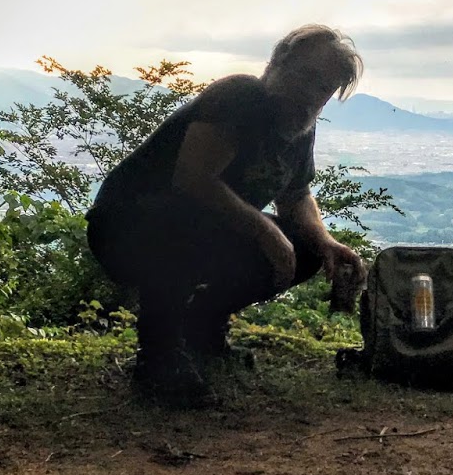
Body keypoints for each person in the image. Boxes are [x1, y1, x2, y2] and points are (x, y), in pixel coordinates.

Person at [86, 24, 367, 403]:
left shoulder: (300, 127)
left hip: (196, 231)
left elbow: (296, 195)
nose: (311, 95)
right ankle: (159, 356)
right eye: (306, 76)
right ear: (278, 64)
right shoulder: (241, 96)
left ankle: (202, 328)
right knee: (189, 217)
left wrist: (326, 242)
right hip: (125, 229)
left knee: (305, 248)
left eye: (324, 88)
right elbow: (193, 180)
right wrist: (266, 231)